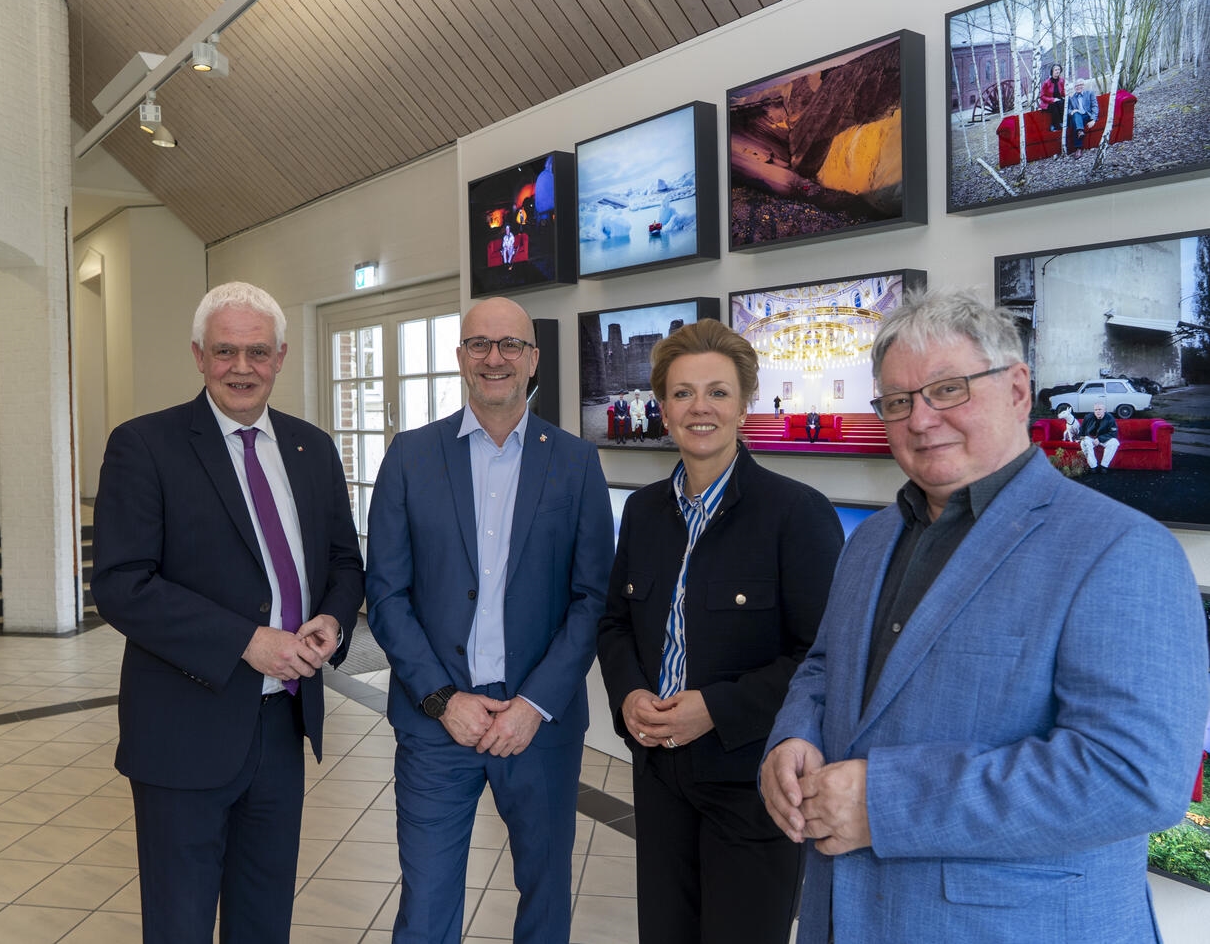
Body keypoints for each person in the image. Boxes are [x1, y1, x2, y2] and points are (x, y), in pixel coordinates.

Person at [759, 290, 1208, 944]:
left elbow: (1133, 774)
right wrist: (794, 736)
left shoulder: (1121, 549)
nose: (921, 419)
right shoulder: (870, 541)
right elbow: (827, 667)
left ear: (1018, 389)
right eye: (898, 401)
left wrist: (883, 803)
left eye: (947, 389)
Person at [91, 281, 365, 943]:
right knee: (180, 924)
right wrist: (246, 640)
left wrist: (330, 619)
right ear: (198, 355)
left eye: (257, 351)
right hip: (183, 733)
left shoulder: (311, 448)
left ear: (280, 356)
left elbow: (344, 563)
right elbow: (122, 584)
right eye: (224, 351)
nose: (241, 367)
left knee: (264, 922)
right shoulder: (145, 446)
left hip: (280, 731)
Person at [366, 296, 614, 944]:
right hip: (435, 723)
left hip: (539, 727)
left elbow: (593, 599)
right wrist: (443, 699)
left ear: (533, 359)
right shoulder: (410, 457)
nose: (494, 357)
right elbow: (386, 595)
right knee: (426, 907)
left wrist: (535, 702)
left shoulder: (577, 463)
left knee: (544, 901)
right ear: (460, 359)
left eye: (510, 345)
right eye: (479, 344)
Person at [598, 319, 844, 944]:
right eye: (682, 394)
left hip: (753, 785)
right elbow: (615, 622)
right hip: (658, 778)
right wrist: (628, 697)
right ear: (662, 408)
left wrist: (716, 708)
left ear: (744, 405)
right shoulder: (645, 512)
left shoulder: (797, 515)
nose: (699, 408)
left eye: (717, 392)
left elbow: (821, 657)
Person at [1079, 397, 1120, 472]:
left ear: (1104, 410)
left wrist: (1100, 439)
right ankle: (1093, 466)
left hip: (1103, 439)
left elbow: (1114, 433)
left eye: (1100, 409)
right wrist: (1081, 439)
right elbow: (1082, 430)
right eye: (1096, 410)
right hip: (1090, 438)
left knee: (1114, 442)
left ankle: (1104, 466)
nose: (1098, 411)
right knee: (1083, 442)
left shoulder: (1110, 418)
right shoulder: (1088, 417)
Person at [1067, 78, 1099, 154]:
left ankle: (1078, 148)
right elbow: (1068, 110)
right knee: (1076, 115)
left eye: (1080, 85)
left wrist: (1093, 120)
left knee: (1076, 122)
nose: (1078, 87)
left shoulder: (1090, 93)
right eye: (1076, 85)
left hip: (1087, 116)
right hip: (1077, 117)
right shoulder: (1071, 97)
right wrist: (1072, 112)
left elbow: (1095, 106)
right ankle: (1080, 131)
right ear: (1074, 88)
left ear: (1083, 86)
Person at [1040, 62, 1065, 132]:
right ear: (1052, 72)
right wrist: (1052, 100)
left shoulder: (1062, 80)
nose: (1057, 71)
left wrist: (1067, 95)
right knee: (1054, 105)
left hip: (1059, 101)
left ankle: (1062, 122)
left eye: (1058, 70)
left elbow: (1063, 92)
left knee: (1062, 102)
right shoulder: (1046, 82)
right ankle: (1055, 125)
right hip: (1048, 103)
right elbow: (1042, 96)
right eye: (1055, 70)